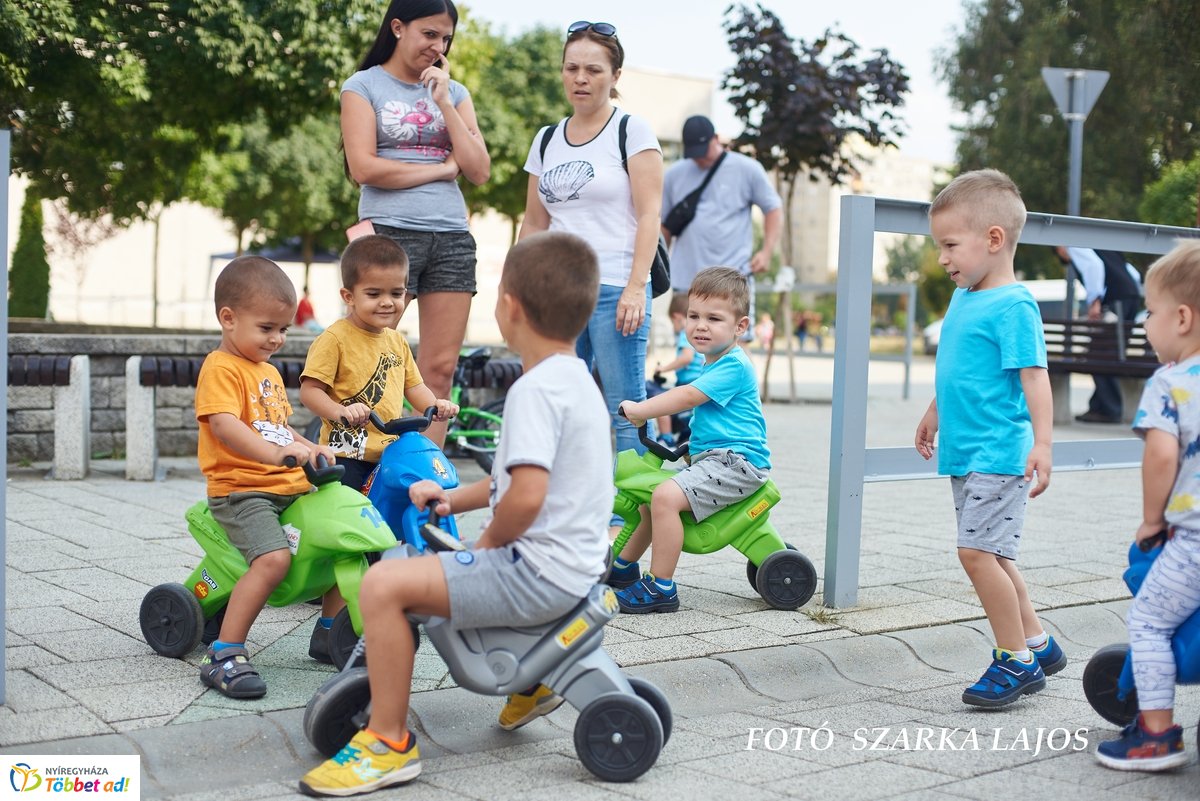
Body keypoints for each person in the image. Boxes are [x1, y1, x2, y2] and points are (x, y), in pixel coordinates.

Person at [298, 231, 613, 797]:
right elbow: (514, 481)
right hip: (576, 567)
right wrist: (452, 499)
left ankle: (387, 742)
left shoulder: (534, 391)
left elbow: (524, 498)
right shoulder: (579, 383)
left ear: (509, 308)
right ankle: (534, 681)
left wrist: (483, 550)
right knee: (412, 560)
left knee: (384, 584)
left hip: (534, 574)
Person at [913, 169, 1067, 708]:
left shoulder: (1014, 305)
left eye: (950, 245)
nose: (942, 258)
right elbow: (960, 369)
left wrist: (1043, 444)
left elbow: (1035, 379)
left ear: (994, 239)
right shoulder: (965, 297)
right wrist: (934, 412)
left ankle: (1015, 660)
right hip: (967, 450)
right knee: (995, 556)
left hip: (1000, 452)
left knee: (976, 553)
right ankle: (1038, 644)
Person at [340, 0, 490, 448]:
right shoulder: (363, 86)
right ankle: (356, 463)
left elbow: (478, 169)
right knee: (364, 360)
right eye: (429, 34)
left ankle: (426, 471)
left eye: (446, 38)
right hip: (388, 235)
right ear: (398, 27)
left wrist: (443, 101)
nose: (438, 46)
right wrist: (441, 170)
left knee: (439, 370)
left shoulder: (455, 93)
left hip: (451, 238)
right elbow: (364, 168)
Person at [194, 256, 339, 697]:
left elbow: (277, 427)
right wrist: (276, 455)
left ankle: (331, 633)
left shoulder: (268, 371)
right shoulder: (221, 368)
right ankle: (224, 654)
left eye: (284, 329)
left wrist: (311, 447)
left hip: (285, 487)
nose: (276, 339)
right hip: (242, 491)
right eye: (266, 328)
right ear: (228, 318)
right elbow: (226, 426)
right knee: (273, 560)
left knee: (337, 540)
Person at [519, 21, 663, 459]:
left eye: (594, 70)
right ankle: (568, 493)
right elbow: (534, 223)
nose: (580, 78)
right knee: (558, 402)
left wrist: (636, 287)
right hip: (557, 292)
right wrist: (516, 286)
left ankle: (633, 499)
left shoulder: (632, 131)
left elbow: (650, 215)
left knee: (627, 408)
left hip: (615, 288)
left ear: (615, 76)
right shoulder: (546, 139)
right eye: (572, 68)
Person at [607, 267, 770, 613]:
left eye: (714, 318)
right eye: (694, 316)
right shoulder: (713, 362)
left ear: (740, 326)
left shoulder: (733, 365)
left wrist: (641, 410)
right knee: (649, 498)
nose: (700, 325)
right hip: (718, 459)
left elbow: (687, 397)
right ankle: (622, 568)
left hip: (737, 465)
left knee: (665, 497)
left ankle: (661, 587)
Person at [1096, 240, 1200, 772]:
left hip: (1195, 541)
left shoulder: (1170, 382)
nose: (1144, 325)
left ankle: (1156, 736)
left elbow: (1161, 455)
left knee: (1151, 622)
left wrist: (1153, 519)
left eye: (1150, 313)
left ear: (1182, 318)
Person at [299, 235, 458, 496]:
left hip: (390, 452)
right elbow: (310, 391)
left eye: (396, 293)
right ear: (349, 296)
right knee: (351, 510)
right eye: (374, 294)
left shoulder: (397, 341)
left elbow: (414, 387)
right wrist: (340, 411)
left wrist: (434, 405)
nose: (387, 301)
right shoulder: (335, 339)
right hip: (347, 454)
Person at [661, 115, 782, 320]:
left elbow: (773, 208)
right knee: (689, 339)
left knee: (735, 336)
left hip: (732, 279)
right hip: (687, 281)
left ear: (716, 139)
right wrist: (659, 268)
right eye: (694, 153)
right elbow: (664, 226)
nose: (700, 158)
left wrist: (767, 251)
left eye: (703, 151)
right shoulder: (674, 174)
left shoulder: (747, 169)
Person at [1054, 246, 1143, 423]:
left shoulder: (1073, 243)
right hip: (1131, 298)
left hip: (1115, 301)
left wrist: (1095, 299)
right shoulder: (1104, 245)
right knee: (1108, 353)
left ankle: (1110, 409)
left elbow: (1093, 266)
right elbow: (1133, 273)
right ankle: (1099, 406)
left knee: (1098, 354)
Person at [646, 292, 704, 444]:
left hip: (690, 382)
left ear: (677, 317)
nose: (674, 327)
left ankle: (666, 438)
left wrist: (663, 369)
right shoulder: (697, 334)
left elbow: (686, 357)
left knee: (660, 399)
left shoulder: (686, 333)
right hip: (696, 381)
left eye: (673, 323)